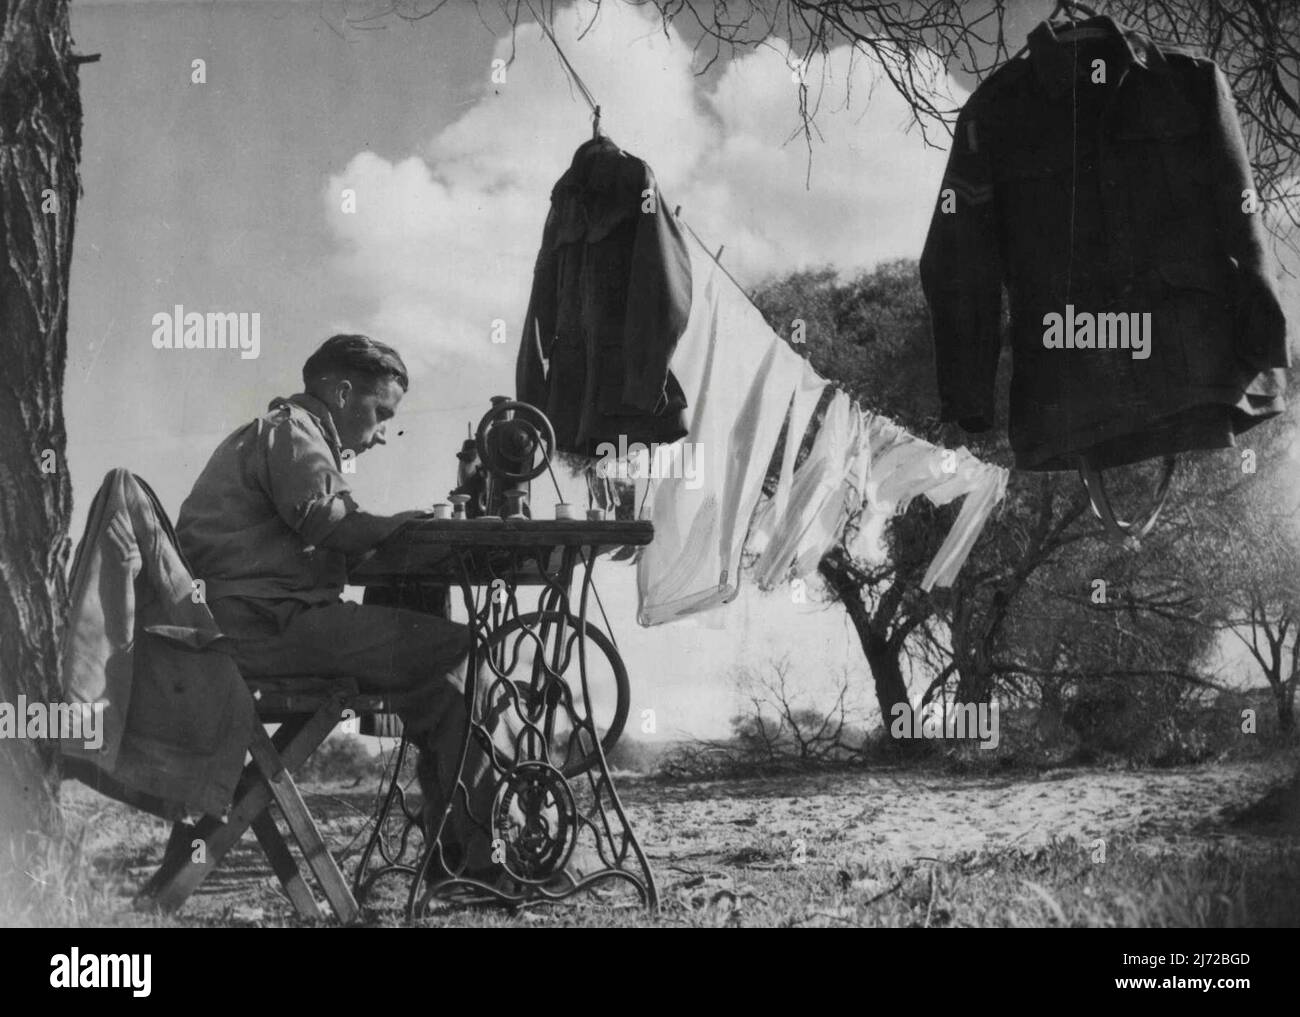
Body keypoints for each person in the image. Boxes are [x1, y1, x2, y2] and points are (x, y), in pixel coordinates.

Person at [176, 333, 496, 873]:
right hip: (268, 627)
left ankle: (458, 854)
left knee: (443, 695)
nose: (381, 435)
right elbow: (335, 526)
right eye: (380, 413)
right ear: (343, 393)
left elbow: (316, 538)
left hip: (251, 622)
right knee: (464, 646)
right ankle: (483, 857)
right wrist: (412, 524)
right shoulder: (292, 431)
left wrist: (394, 532)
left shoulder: (279, 437)